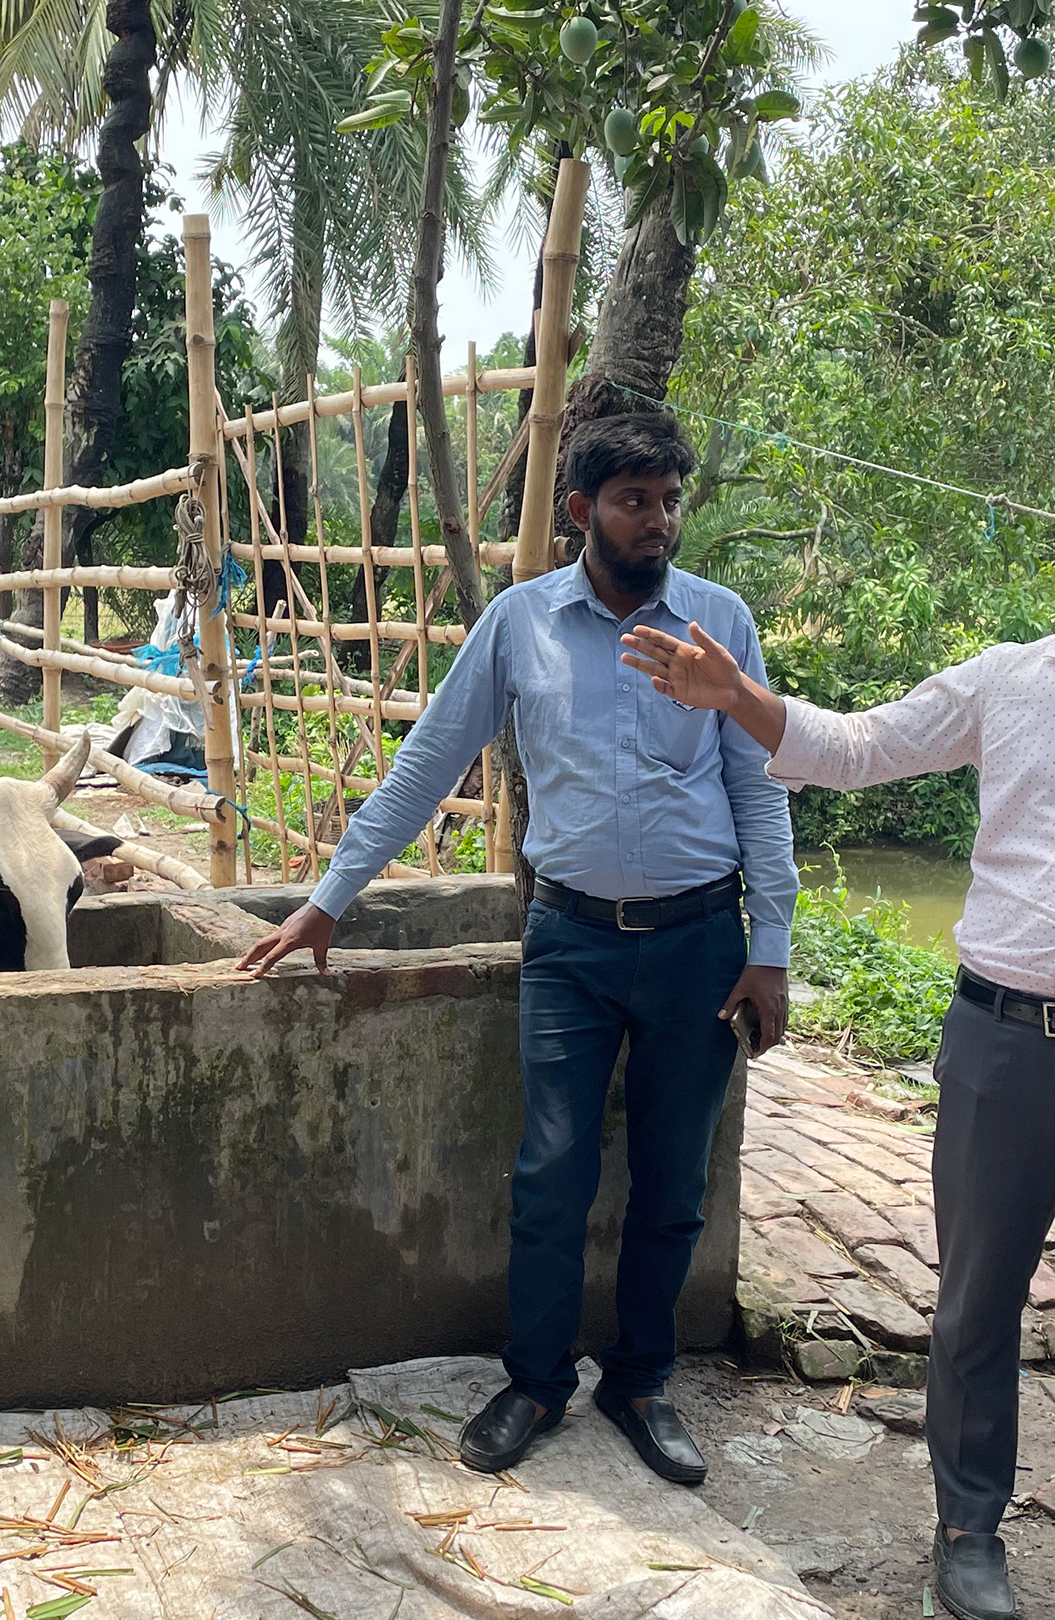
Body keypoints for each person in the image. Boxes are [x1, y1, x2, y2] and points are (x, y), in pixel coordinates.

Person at [621, 447, 1055, 1620]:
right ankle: (968, 1525)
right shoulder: (1008, 683)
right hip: (1002, 1043)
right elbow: (857, 748)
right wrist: (739, 698)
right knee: (977, 1299)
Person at [238, 411, 797, 1489]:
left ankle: (640, 1383)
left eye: (672, 498)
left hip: (696, 943)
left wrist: (767, 946)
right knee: (551, 1171)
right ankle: (537, 1381)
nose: (661, 519)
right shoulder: (521, 625)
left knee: (673, 1178)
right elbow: (427, 763)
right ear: (583, 512)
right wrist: (329, 900)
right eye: (637, 500)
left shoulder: (719, 623)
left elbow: (758, 791)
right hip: (571, 942)